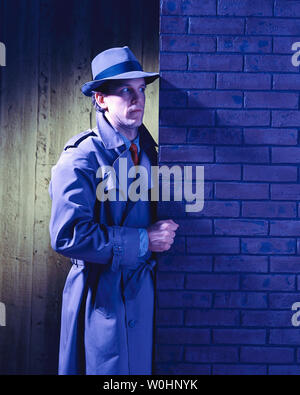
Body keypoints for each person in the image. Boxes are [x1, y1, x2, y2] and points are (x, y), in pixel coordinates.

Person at [48, 46, 179, 375]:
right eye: (125, 91)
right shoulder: (81, 158)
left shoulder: (152, 153)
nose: (137, 100)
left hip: (143, 297)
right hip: (100, 299)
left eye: (140, 90)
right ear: (100, 99)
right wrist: (144, 241)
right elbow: (67, 235)